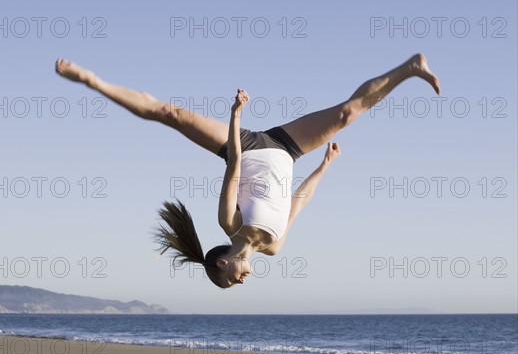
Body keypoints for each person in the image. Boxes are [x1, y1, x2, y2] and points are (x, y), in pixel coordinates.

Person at [55, 53, 440, 289]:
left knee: (169, 114)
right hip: (288, 150)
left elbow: (235, 165)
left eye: (229, 279)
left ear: (222, 261)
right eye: (235, 283)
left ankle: (91, 80)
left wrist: (236, 116)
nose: (240, 280)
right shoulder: (273, 247)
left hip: (247, 146)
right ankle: (411, 67)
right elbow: (299, 202)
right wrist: (325, 165)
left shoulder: (229, 222)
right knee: (347, 114)